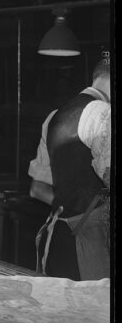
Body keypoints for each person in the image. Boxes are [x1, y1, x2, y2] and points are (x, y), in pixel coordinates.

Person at [33, 57, 111, 280]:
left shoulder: (55, 116)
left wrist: (72, 211)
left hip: (58, 237)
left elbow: (37, 189)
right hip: (91, 244)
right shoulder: (103, 112)